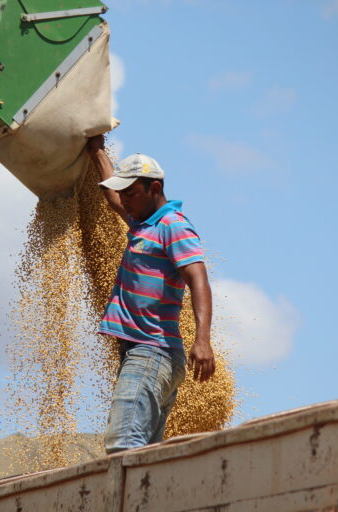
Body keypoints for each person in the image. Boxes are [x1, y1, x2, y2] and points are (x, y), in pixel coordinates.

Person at [87, 135, 216, 454]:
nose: (125, 199)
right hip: (142, 351)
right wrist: (96, 150)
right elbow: (113, 198)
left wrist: (203, 340)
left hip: (152, 350)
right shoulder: (142, 222)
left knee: (122, 445)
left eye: (131, 192)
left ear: (154, 189)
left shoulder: (172, 225)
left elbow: (198, 279)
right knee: (144, 453)